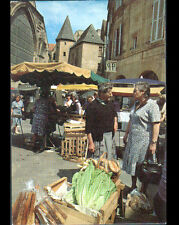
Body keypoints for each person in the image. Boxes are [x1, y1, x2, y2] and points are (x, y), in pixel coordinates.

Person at [122, 82, 161, 193]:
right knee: (133, 164)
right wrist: (126, 134)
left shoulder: (152, 105)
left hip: (144, 141)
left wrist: (153, 143)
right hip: (133, 140)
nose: (133, 92)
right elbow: (131, 119)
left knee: (143, 166)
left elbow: (156, 124)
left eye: (135, 90)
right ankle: (133, 186)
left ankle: (143, 190)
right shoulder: (136, 103)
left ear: (143, 92)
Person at [85, 83, 118, 160]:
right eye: (109, 93)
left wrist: (115, 122)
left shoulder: (110, 104)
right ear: (102, 93)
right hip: (98, 139)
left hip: (110, 137)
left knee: (109, 161)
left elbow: (115, 114)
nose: (111, 94)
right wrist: (91, 143)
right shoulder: (92, 106)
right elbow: (88, 127)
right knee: (98, 162)